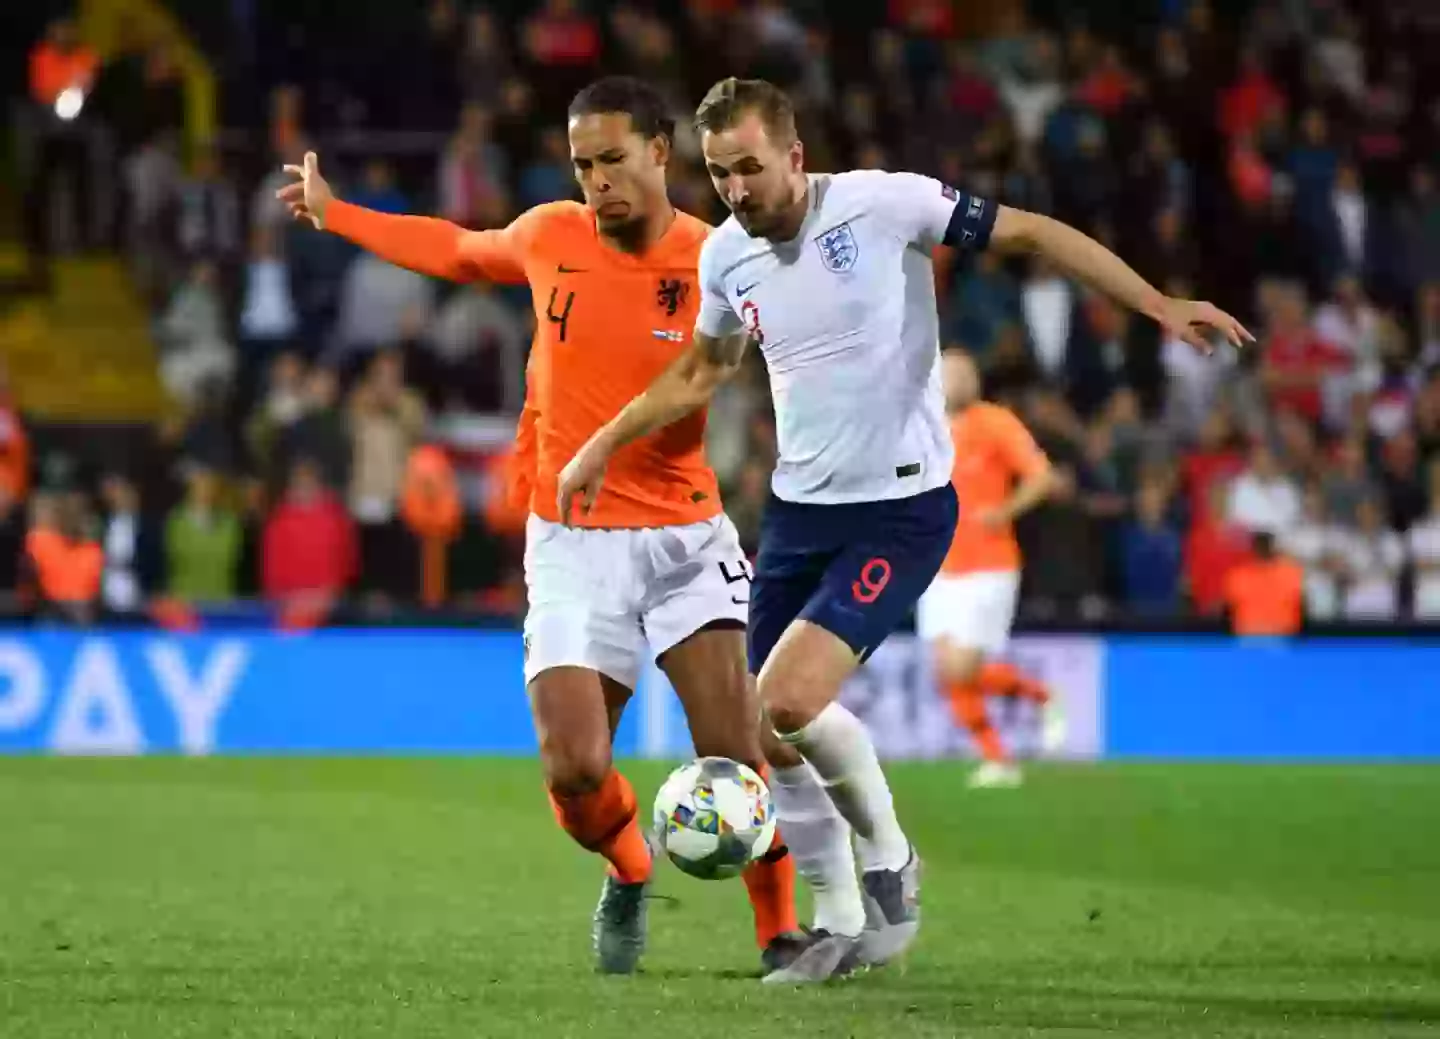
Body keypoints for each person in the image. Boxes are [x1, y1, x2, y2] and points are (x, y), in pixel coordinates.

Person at [557, 76, 1252, 982]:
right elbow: (703, 371)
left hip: (902, 508)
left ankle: (889, 858)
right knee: (759, 733)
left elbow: (1033, 233)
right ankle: (839, 922)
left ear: (795, 157)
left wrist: (1158, 305)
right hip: (800, 513)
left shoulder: (887, 205)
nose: (735, 189)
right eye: (721, 173)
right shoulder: (726, 257)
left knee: (791, 701)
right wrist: (600, 445)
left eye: (751, 168)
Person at [277, 77, 804, 978]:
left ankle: (781, 935)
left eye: (612, 159)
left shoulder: (717, 261)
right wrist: (338, 213)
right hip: (570, 541)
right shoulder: (548, 235)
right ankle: (631, 868)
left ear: (660, 154)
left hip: (684, 539)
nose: (597, 180)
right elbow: (453, 247)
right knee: (573, 770)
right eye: (581, 164)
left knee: (736, 754)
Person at [920, 351, 1061, 790]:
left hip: (988, 565)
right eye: (950, 373)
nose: (959, 380)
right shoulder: (921, 425)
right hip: (938, 565)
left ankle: (1042, 696)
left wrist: (1004, 511)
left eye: (966, 372)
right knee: (945, 671)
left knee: (961, 667)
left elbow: (1041, 476)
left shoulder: (995, 422)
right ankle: (998, 762)